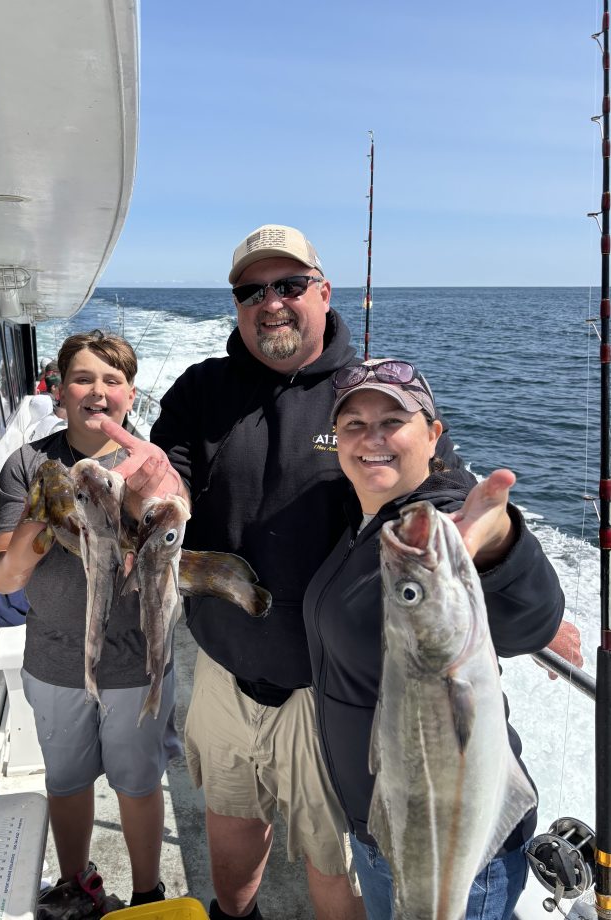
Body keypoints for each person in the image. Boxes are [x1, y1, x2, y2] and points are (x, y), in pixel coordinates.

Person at [149, 223, 581, 920]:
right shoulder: (203, 388)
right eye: (251, 291)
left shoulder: (359, 401)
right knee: (232, 825)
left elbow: (442, 501)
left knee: (335, 862)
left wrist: (500, 553)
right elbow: (172, 473)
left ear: (323, 292)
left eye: (290, 285)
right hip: (224, 673)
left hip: (322, 697)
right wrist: (152, 491)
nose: (272, 302)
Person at [303, 358, 565, 919]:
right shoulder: (365, 525)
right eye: (353, 425)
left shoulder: (445, 523)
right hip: (385, 829)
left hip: (463, 851)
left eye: (392, 421)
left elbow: (530, 620)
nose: (371, 438)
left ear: (433, 434)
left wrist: (500, 543)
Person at [0, 329, 183, 919]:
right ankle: (77, 886)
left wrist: (144, 502)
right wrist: (42, 520)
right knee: (67, 781)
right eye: (83, 378)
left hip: (135, 660)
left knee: (137, 781)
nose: (98, 391)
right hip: (55, 658)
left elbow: (165, 553)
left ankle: (148, 894)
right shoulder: (28, 465)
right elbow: (4, 577)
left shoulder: (152, 465)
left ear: (131, 395)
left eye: (113, 380)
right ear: (58, 390)